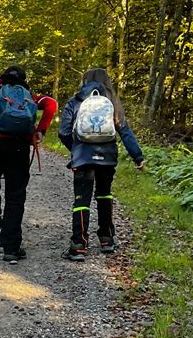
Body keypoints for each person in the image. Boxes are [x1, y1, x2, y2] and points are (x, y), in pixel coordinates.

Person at [58, 67, 145, 260]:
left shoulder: (76, 101)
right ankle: (106, 239)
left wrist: (75, 149)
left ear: (85, 80)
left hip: (82, 157)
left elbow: (64, 131)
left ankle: (79, 244)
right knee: (104, 195)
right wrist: (138, 157)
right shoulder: (112, 102)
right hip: (107, 157)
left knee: (81, 200)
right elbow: (125, 131)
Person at [0, 66, 58, 265]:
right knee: (15, 195)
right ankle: (11, 248)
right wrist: (41, 130)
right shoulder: (30, 95)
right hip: (20, 147)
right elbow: (51, 104)